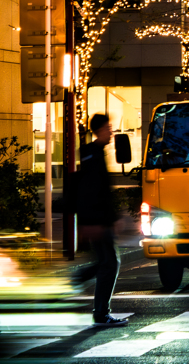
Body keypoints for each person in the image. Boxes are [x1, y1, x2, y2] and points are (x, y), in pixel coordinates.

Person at [74, 114, 126, 326]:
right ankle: (101, 312)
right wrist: (96, 221)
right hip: (98, 221)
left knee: (106, 262)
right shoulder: (93, 156)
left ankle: (77, 282)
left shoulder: (93, 154)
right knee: (109, 264)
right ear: (99, 130)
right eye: (108, 128)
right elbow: (93, 192)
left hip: (97, 220)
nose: (111, 132)